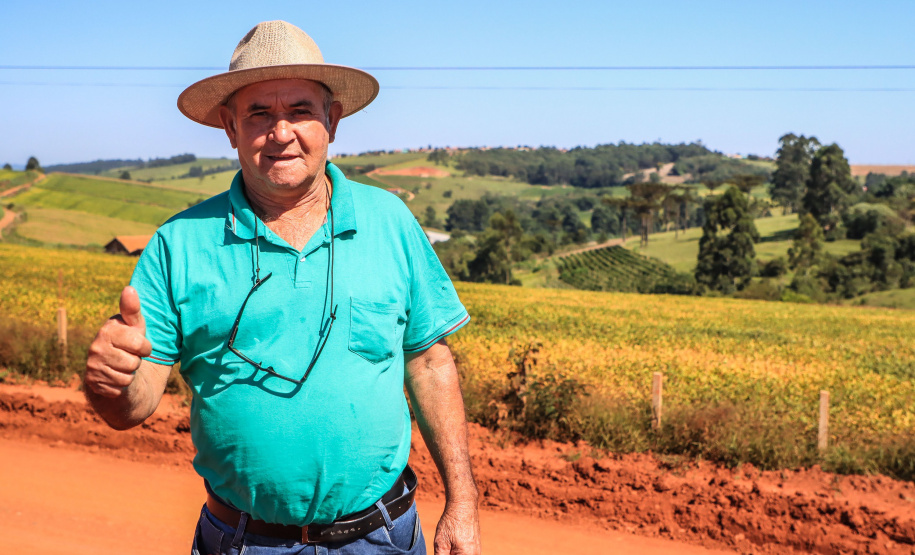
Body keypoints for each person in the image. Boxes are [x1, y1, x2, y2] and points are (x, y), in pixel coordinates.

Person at [84, 20, 481, 555]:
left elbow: (430, 364)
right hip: (243, 542)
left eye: (299, 111)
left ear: (332, 120)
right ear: (229, 127)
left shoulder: (389, 220)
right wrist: (113, 382)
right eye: (259, 114)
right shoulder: (178, 244)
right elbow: (133, 406)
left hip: (381, 536)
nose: (281, 132)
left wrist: (463, 501)